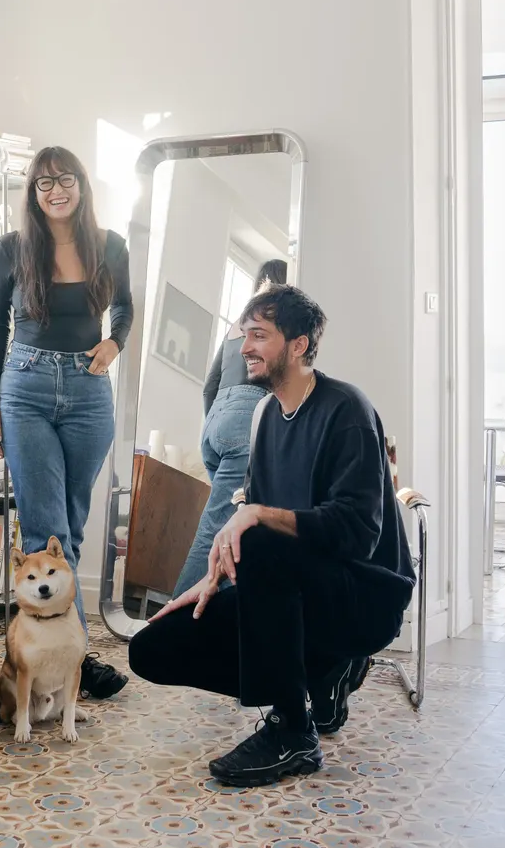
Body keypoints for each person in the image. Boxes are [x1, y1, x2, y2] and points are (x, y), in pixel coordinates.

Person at [128, 284, 414, 787]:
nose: (245, 348)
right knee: (153, 648)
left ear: (298, 344)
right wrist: (213, 580)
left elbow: (356, 534)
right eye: (245, 335)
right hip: (292, 591)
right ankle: (322, 676)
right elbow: (254, 522)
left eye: (259, 335)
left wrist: (256, 516)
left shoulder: (347, 409)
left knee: (260, 536)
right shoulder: (263, 415)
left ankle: (293, 730)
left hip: (365, 596)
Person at [0, 145, 133, 701]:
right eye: (43, 183)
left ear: (81, 184)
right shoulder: (11, 248)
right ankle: (78, 659)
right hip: (26, 388)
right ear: (33, 193)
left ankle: (52, 653)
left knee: (70, 523)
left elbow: (125, 307)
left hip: (89, 391)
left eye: (64, 179)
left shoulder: (109, 245)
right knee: (47, 526)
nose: (55, 191)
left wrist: (115, 343)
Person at [176, 257, 290, 596]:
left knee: (237, 527)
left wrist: (217, 427)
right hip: (248, 415)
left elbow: (209, 386)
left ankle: (221, 615)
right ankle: (176, 618)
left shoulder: (237, 325)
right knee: (217, 530)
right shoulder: (277, 320)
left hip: (216, 420)